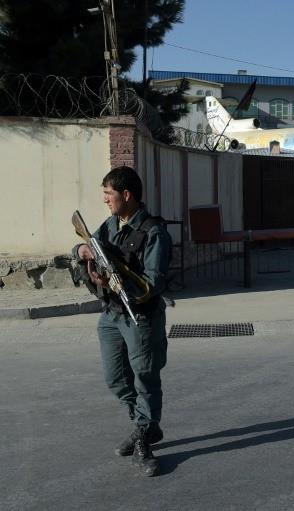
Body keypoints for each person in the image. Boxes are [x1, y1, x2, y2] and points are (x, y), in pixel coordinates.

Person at [72, 166, 173, 477]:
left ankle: (144, 436)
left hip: (139, 316)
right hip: (111, 315)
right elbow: (85, 244)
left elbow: (153, 283)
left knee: (145, 378)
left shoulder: (153, 233)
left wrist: (120, 281)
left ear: (126, 195)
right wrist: (83, 251)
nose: (105, 200)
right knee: (115, 378)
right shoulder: (112, 224)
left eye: (109, 194)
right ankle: (145, 425)